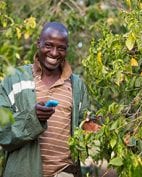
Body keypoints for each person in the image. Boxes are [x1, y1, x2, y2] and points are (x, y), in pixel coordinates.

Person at [0, 22, 89, 177]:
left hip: (65, 173)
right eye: (48, 45)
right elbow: (3, 133)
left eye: (61, 48)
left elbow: (84, 130)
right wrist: (33, 118)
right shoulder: (14, 79)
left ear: (67, 50)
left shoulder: (77, 85)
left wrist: (94, 127)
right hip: (23, 173)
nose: (54, 53)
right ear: (38, 43)